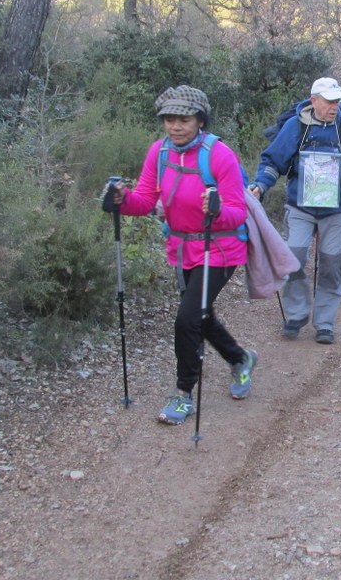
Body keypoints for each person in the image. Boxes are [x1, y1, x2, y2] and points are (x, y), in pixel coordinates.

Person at [107, 85, 257, 426]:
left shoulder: (219, 155)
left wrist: (216, 210)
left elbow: (237, 211)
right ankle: (241, 358)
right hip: (182, 248)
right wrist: (121, 199)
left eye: (184, 119)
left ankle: (183, 393)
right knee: (200, 316)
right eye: (169, 119)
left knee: (187, 318)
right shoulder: (159, 153)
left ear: (200, 120)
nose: (175, 126)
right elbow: (144, 200)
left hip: (219, 249)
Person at [250, 77, 341, 345]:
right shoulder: (295, 126)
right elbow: (273, 160)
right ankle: (297, 314)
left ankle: (324, 323)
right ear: (314, 100)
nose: (334, 106)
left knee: (331, 264)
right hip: (300, 206)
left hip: (338, 209)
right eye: (329, 101)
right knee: (293, 257)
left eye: (336, 101)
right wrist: (260, 186)